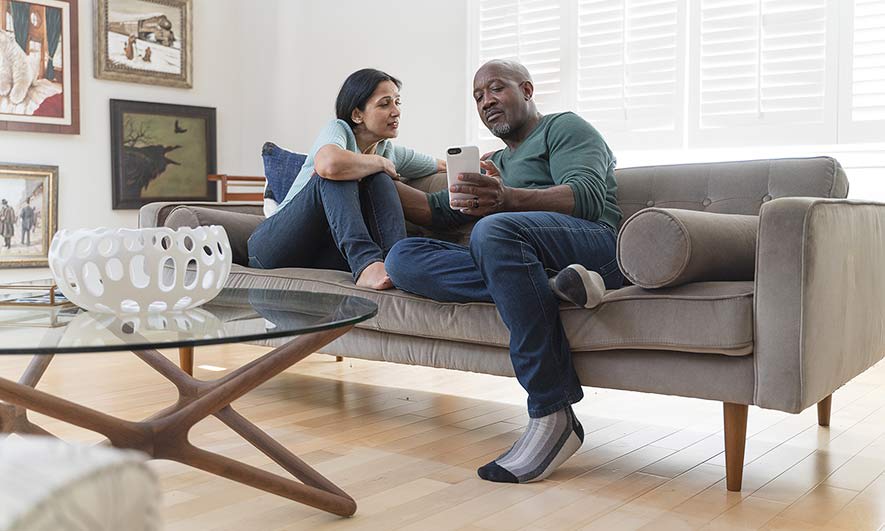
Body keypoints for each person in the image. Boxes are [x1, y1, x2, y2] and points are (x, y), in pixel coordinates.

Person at [385, 60, 623, 484]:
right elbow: (436, 211)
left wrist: (507, 199)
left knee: (494, 230)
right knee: (403, 257)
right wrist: (372, 172)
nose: (486, 101)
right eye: (478, 96)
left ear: (526, 90)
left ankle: (552, 412)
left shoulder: (563, 128)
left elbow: (586, 198)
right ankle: (550, 284)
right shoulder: (494, 163)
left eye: (496, 88)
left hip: (595, 247)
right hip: (523, 255)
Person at [247, 68, 445, 289]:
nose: (396, 111)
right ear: (357, 115)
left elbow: (440, 165)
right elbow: (329, 164)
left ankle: (397, 263)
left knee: (378, 178)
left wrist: (477, 167)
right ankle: (366, 262)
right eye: (385, 104)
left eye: (397, 102)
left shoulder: (388, 151)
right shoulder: (339, 130)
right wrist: (379, 163)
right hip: (273, 246)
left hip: (320, 254)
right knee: (338, 173)